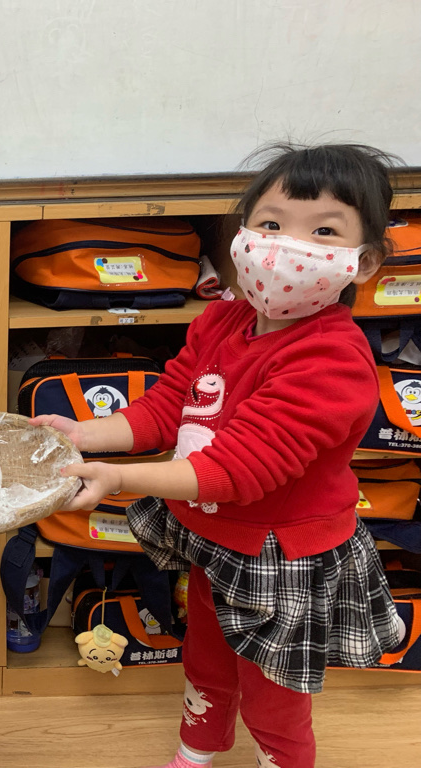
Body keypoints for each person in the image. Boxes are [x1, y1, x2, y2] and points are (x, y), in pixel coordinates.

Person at [32, 143, 403, 768]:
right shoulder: (224, 321)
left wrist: (118, 477)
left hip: (283, 557)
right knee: (204, 662)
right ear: (241, 235)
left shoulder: (331, 359)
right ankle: (194, 752)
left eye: (322, 231)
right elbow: (169, 404)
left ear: (362, 262)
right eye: (271, 223)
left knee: (274, 701)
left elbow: (234, 471)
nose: (286, 247)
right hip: (215, 538)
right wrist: (86, 434)